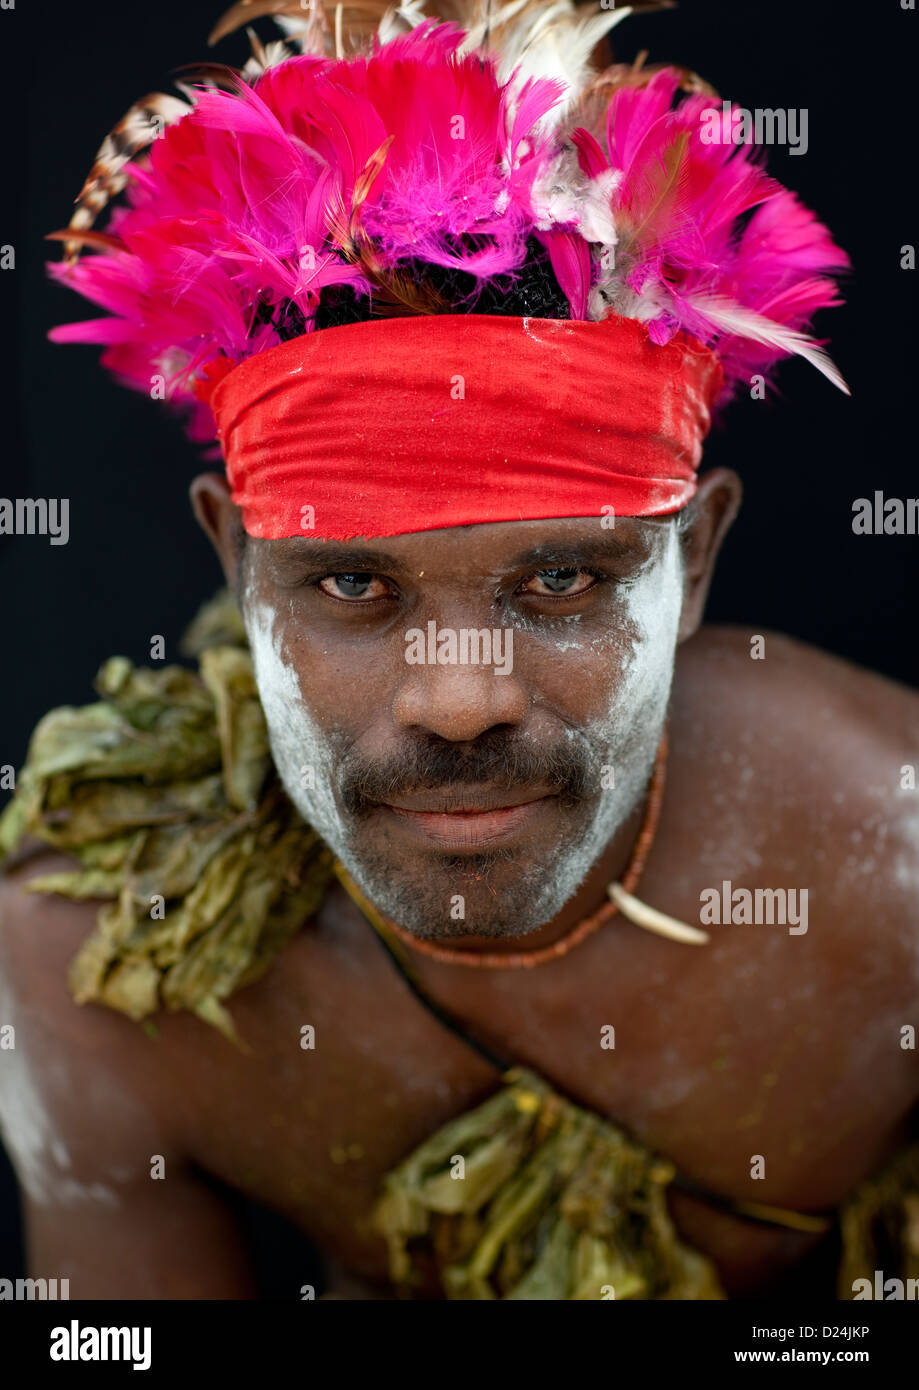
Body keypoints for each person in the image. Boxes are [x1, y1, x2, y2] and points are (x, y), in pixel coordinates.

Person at [0, 0, 916, 1301]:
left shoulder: (901, 892)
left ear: (693, 561)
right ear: (239, 568)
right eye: (355, 582)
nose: (461, 699)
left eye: (562, 577)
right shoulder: (90, 963)